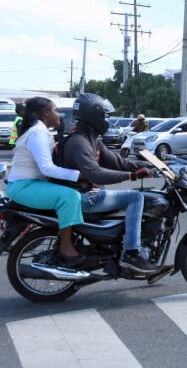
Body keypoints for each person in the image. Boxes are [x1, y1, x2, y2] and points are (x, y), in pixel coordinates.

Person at [53, 93, 157, 273]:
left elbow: (118, 162)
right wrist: (133, 176)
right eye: (104, 116)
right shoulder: (79, 142)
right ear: (94, 115)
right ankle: (132, 253)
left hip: (88, 192)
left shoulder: (91, 138)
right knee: (135, 197)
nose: (107, 120)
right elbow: (95, 174)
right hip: (84, 196)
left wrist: (153, 165)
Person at [5, 97, 85, 266]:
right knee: (70, 197)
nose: (59, 115)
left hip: (30, 184)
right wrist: (79, 174)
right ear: (45, 112)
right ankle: (65, 246)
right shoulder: (38, 133)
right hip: (24, 186)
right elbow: (47, 168)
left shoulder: (41, 132)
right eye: (56, 111)